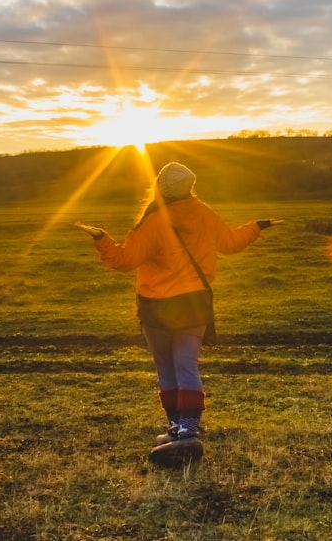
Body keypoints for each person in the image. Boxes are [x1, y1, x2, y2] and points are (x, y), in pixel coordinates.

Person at [76, 161, 279, 466]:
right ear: (190, 186)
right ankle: (184, 430)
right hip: (194, 304)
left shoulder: (153, 221)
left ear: (159, 186)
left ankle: (182, 430)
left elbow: (124, 260)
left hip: (157, 307)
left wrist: (101, 238)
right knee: (186, 365)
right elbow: (231, 243)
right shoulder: (203, 213)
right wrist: (256, 227)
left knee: (168, 368)